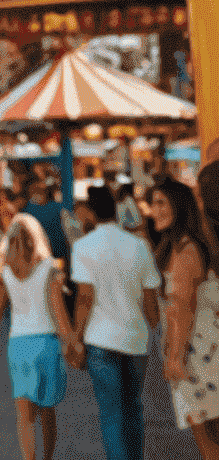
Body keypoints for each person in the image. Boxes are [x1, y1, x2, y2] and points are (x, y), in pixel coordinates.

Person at [71, 183, 161, 460]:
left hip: (100, 340)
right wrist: (153, 326)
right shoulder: (139, 245)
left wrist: (75, 338)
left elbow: (85, 298)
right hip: (135, 339)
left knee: (111, 414)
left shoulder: (83, 246)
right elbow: (150, 300)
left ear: (89, 212)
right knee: (134, 407)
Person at [0, 213, 81, 460]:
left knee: (24, 417)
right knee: (48, 413)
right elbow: (59, 313)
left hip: (19, 346)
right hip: (47, 344)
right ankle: (47, 458)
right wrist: (72, 342)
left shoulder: (6, 273)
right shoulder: (49, 269)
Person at [147, 177, 219, 456]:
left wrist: (175, 358)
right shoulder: (181, 247)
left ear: (179, 205)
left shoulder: (186, 250)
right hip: (201, 351)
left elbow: (181, 308)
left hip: (198, 355)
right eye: (153, 203)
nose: (155, 210)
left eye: (161, 202)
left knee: (207, 440)